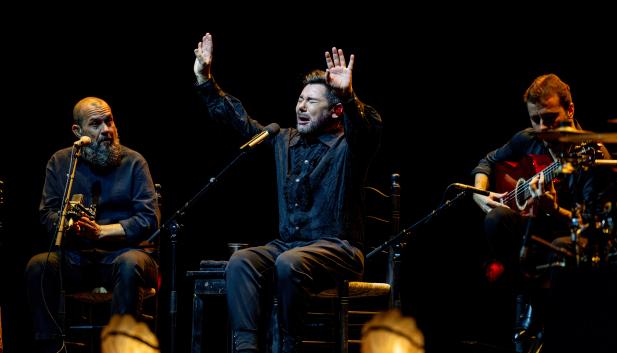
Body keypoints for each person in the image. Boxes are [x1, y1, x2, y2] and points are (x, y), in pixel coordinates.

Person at [193, 32, 382, 353]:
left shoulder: (349, 145)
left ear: (335, 112)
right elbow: (242, 125)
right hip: (289, 247)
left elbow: (368, 128)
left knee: (289, 262)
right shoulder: (285, 140)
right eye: (299, 99)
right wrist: (205, 79)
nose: (301, 107)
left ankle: (287, 345)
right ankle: (246, 348)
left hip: (339, 249)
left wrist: (348, 97)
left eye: (311, 101)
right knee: (241, 261)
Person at [471, 73, 612, 351]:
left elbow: (594, 227)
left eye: (549, 118)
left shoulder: (592, 153)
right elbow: (487, 162)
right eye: (535, 119)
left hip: (574, 240)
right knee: (496, 218)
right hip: (534, 234)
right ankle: (532, 301)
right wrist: (480, 194)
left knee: (561, 248)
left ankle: (545, 320)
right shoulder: (529, 138)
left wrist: (554, 209)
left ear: (570, 110)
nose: (542, 128)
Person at [24, 97, 160, 353]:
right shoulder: (61, 162)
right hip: (77, 259)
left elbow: (149, 219)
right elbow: (47, 214)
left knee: (129, 263)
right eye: (96, 124)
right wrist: (71, 226)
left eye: (109, 121)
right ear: (78, 132)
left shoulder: (134, 162)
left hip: (123, 256)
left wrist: (101, 231)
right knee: (39, 265)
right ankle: (52, 346)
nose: (106, 130)